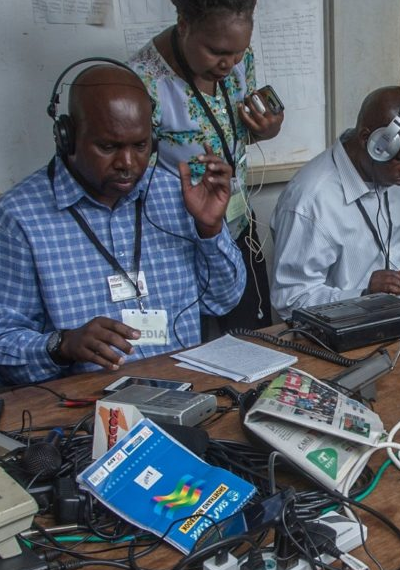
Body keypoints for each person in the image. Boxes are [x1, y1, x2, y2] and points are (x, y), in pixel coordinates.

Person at [0, 63, 244, 385]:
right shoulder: (16, 219)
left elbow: (222, 301)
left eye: (140, 146)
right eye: (109, 147)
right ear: (67, 137)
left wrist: (209, 229)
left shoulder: (176, 195)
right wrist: (62, 345)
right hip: (85, 410)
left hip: (182, 393)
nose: (127, 164)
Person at [129, 0, 280, 330]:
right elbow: (131, 178)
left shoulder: (240, 59)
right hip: (180, 241)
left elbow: (232, 132)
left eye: (238, 52)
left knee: (254, 344)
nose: (229, 64)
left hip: (238, 226)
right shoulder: (143, 82)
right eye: (217, 52)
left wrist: (267, 130)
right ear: (183, 24)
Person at [269, 86, 400, 318]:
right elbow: (291, 299)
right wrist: (362, 294)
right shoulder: (310, 199)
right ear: (368, 140)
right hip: (335, 338)